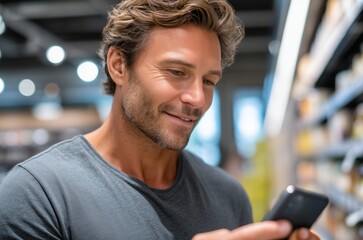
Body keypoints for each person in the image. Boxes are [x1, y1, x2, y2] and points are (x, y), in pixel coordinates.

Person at [0, 0, 321, 239]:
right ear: (119, 65)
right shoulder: (37, 195)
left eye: (209, 81)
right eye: (177, 72)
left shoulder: (227, 195)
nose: (197, 98)